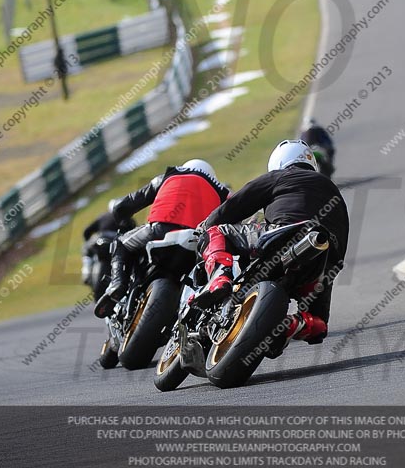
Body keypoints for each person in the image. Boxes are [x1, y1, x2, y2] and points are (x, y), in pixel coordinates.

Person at [194, 140, 349, 352]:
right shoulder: (334, 191)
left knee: (217, 232)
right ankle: (289, 325)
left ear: (279, 162)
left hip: (282, 234)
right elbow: (340, 251)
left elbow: (232, 207)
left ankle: (220, 279)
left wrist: (206, 225)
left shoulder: (279, 176)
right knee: (318, 326)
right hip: (322, 260)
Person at [94, 159, 229, 318]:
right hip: (199, 244)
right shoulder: (222, 191)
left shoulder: (171, 175)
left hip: (161, 228)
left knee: (120, 243)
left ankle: (117, 284)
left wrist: (122, 218)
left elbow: (122, 206)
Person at [81, 201, 135, 285]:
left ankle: (86, 270)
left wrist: (87, 240)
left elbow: (86, 231)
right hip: (119, 242)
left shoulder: (103, 216)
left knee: (86, 249)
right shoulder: (128, 218)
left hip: (100, 238)